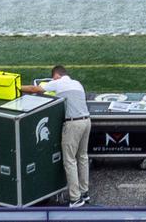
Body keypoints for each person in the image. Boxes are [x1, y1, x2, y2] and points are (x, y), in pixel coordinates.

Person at [21, 65, 93, 207]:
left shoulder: (58, 82)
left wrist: (17, 86)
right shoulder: (77, 83)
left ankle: (75, 198)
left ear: (56, 76)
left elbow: (35, 89)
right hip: (86, 122)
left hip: (73, 125)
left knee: (70, 160)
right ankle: (85, 192)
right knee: (83, 157)